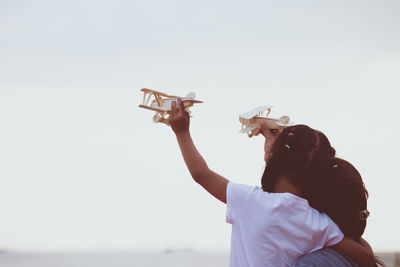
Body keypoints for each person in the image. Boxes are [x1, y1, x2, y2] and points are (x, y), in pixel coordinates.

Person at [167, 98, 374, 267]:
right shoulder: (317, 222)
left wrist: (181, 132)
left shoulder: (250, 202)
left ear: (275, 161)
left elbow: (200, 174)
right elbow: (366, 258)